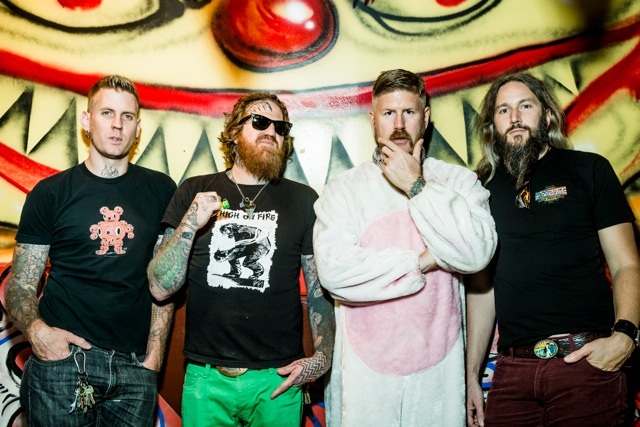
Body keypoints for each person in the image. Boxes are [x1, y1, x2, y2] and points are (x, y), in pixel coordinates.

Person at [313, 68, 498, 426]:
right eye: (388, 113)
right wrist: (423, 261)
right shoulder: (343, 190)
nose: (399, 125)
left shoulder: (458, 181)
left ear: (425, 117)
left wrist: (416, 185)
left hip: (439, 384)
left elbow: (476, 254)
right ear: (373, 121)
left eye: (408, 112)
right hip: (364, 388)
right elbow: (336, 274)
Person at [147, 92, 335, 427]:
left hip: (278, 381)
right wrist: (190, 222)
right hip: (206, 380)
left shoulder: (303, 200)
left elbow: (319, 293)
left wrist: (322, 358)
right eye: (260, 122)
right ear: (234, 132)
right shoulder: (194, 191)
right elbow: (160, 287)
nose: (271, 132)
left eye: (280, 127)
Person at [466, 72, 640, 426]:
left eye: (525, 106)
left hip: (585, 365)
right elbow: (482, 290)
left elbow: (626, 263)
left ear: (546, 115)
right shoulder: (481, 191)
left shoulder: (589, 170)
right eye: (503, 110)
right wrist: (470, 374)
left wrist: (625, 336)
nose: (515, 118)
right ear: (493, 125)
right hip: (512, 375)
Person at [4, 75, 177, 426]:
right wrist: (39, 334)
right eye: (107, 113)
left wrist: (154, 358)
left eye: (127, 116)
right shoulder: (50, 193)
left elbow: (164, 282)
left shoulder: (161, 190)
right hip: (63, 363)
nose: (117, 125)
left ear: (138, 127)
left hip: (134, 368)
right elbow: (20, 284)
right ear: (87, 120)